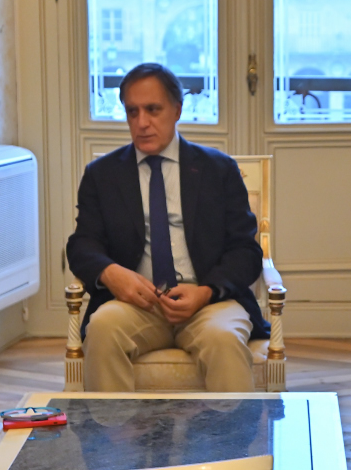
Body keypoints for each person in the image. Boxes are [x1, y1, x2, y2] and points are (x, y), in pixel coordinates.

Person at [67, 63, 266, 392]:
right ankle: (112, 428)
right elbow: (82, 245)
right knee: (102, 328)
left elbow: (246, 251)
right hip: (137, 306)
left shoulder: (218, 170)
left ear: (177, 110)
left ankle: (233, 430)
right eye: (132, 111)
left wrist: (205, 292)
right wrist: (111, 273)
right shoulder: (102, 175)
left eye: (153, 109)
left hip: (209, 302)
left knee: (223, 338)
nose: (142, 122)